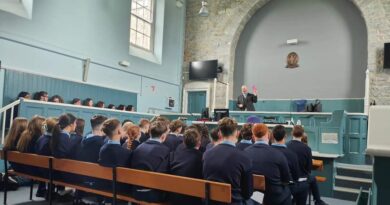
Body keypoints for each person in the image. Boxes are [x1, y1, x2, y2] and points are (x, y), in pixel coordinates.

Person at [203, 117, 253, 205]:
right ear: (237, 133)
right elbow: (247, 194)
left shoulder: (207, 154)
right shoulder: (244, 157)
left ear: (219, 134)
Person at [245, 123, 291, 205]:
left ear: (253, 136)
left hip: (251, 195)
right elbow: (286, 180)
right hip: (273, 197)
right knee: (287, 190)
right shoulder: (278, 154)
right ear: (269, 135)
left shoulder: (245, 153)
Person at [130, 119, 171, 203]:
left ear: (149, 133)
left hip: (135, 191)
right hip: (153, 194)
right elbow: (163, 174)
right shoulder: (165, 150)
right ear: (163, 136)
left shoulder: (139, 147)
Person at [287, 129, 328, 205]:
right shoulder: (307, 149)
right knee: (312, 178)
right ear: (302, 135)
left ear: (292, 133)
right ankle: (318, 201)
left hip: (288, 178)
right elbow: (308, 169)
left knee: (310, 178)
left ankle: (295, 200)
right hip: (301, 178)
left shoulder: (286, 145)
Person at [272, 125, 308, 205]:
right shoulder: (291, 154)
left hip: (268, 188)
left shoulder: (267, 151)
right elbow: (295, 177)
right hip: (283, 189)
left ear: (272, 136)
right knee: (304, 185)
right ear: (285, 136)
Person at [169, 128, 203, 205]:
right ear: (199, 142)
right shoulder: (201, 157)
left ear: (184, 142)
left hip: (174, 197)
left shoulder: (173, 155)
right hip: (193, 199)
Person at [35, 117, 58, 198]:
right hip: (47, 171)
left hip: (38, 168)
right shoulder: (52, 141)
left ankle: (41, 190)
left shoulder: (41, 138)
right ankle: (51, 192)